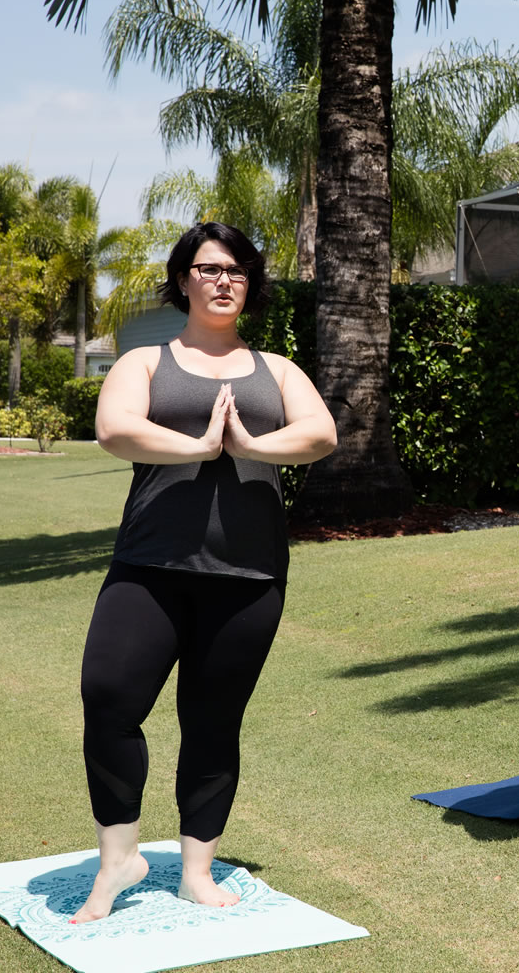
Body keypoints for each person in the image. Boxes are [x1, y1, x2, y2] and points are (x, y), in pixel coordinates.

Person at [70, 222, 337, 924]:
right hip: (150, 565)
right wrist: (200, 443)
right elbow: (115, 427)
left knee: (213, 720)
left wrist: (249, 442)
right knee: (108, 695)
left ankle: (196, 868)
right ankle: (120, 855)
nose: (225, 280)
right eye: (210, 268)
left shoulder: (276, 369)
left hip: (249, 575)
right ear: (184, 278)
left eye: (238, 271)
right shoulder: (147, 360)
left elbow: (321, 433)